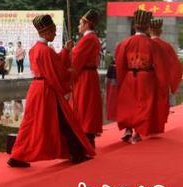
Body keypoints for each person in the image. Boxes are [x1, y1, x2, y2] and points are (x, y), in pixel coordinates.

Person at [8, 14, 94, 167]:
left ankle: (17, 156)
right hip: (47, 91)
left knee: (29, 124)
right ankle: (76, 153)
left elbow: (55, 64)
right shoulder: (46, 51)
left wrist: (66, 51)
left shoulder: (35, 49)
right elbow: (57, 71)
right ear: (46, 32)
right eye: (53, 31)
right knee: (65, 121)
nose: (55, 34)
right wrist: (70, 72)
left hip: (37, 90)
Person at [115, 10, 168, 143]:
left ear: (135, 26)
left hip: (129, 76)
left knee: (128, 103)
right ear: (146, 27)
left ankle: (128, 129)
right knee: (143, 105)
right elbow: (159, 65)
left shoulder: (125, 43)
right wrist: (162, 83)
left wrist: (121, 79)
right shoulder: (152, 44)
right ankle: (137, 132)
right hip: (146, 78)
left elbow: (120, 63)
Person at [70, 9, 103, 147]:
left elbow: (75, 58)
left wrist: (69, 51)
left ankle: (85, 137)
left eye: (80, 23)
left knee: (84, 106)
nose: (78, 26)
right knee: (88, 105)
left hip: (84, 77)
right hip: (89, 75)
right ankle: (87, 137)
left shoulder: (88, 39)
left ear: (86, 24)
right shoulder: (92, 38)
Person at [148, 18, 181, 133]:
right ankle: (155, 127)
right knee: (159, 104)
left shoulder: (145, 43)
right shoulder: (166, 46)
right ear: (161, 31)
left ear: (149, 30)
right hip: (161, 81)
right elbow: (176, 66)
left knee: (145, 103)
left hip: (145, 79)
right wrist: (172, 83)